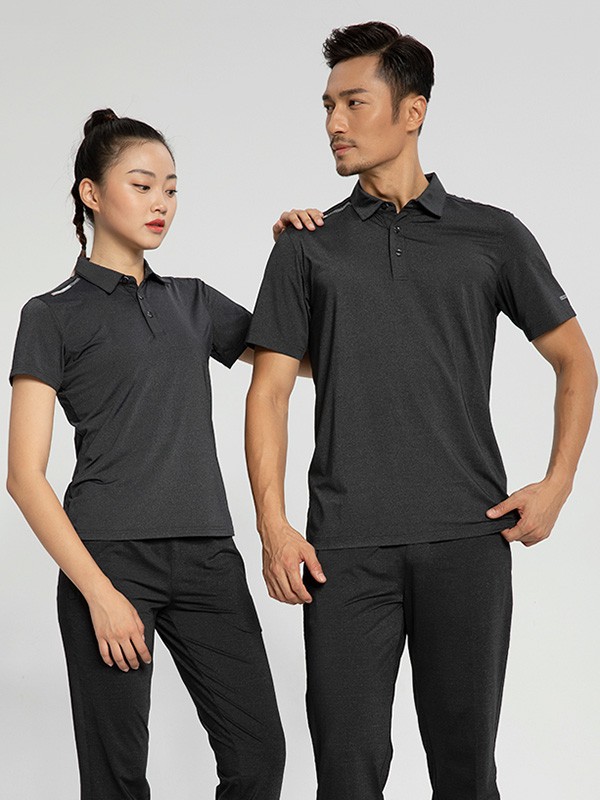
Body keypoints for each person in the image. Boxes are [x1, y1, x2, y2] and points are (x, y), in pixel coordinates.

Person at [245, 21, 597, 800]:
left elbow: (575, 361)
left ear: (412, 112)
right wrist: (273, 523)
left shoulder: (492, 235)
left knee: (467, 777)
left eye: (354, 102)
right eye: (328, 105)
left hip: (468, 542)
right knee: (347, 775)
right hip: (343, 550)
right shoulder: (305, 245)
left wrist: (558, 483)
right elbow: (268, 390)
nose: (334, 123)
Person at [6, 108, 306, 800]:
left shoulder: (194, 303)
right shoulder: (50, 314)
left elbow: (300, 360)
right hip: (110, 560)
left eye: (170, 189)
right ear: (91, 193)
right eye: (142, 186)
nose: (161, 203)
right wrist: (99, 593)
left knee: (259, 757)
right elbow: (24, 476)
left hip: (209, 557)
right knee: (116, 781)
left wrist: (294, 263)